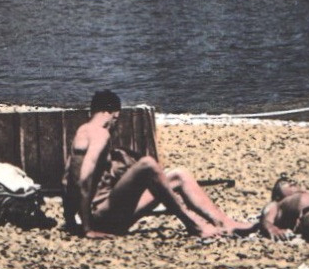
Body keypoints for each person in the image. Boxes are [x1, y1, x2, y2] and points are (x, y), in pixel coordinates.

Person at [64, 89, 249, 239]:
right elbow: (84, 178)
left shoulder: (81, 133)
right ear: (109, 113)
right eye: (116, 119)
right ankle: (194, 225)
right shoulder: (100, 134)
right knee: (147, 164)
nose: (115, 124)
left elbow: (67, 181)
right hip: (103, 217)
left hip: (106, 214)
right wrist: (88, 229)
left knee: (178, 175)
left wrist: (71, 222)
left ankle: (224, 222)